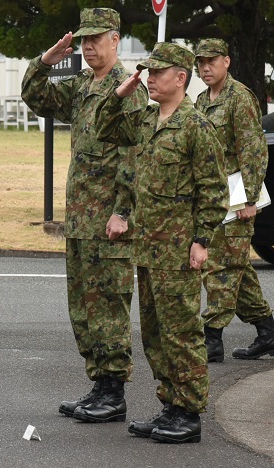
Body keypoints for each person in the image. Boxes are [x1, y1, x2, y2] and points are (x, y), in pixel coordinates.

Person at [96, 42, 229, 444]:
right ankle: (170, 404)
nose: (149, 79)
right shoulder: (148, 120)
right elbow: (104, 128)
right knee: (154, 335)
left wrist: (202, 240)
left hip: (178, 250)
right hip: (148, 248)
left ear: (180, 78)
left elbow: (214, 190)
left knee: (182, 333)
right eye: (147, 72)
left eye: (157, 73)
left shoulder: (195, 126)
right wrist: (119, 93)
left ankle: (189, 414)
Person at [21, 8, 148, 423]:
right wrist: (46, 61)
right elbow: (36, 97)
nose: (89, 46)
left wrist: (122, 212)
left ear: (115, 39)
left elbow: (134, 155)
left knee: (108, 304)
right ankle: (99, 383)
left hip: (109, 220)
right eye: (84, 40)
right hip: (80, 218)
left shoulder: (127, 88)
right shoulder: (83, 86)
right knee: (83, 306)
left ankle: (114, 391)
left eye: (96, 39)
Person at [193, 38, 274, 362]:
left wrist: (249, 198)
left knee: (221, 267)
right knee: (238, 269)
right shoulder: (202, 100)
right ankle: (268, 334)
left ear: (226, 61)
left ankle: (212, 338)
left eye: (212, 61)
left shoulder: (240, 98)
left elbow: (254, 150)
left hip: (236, 197)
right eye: (201, 62)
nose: (206, 67)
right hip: (212, 198)